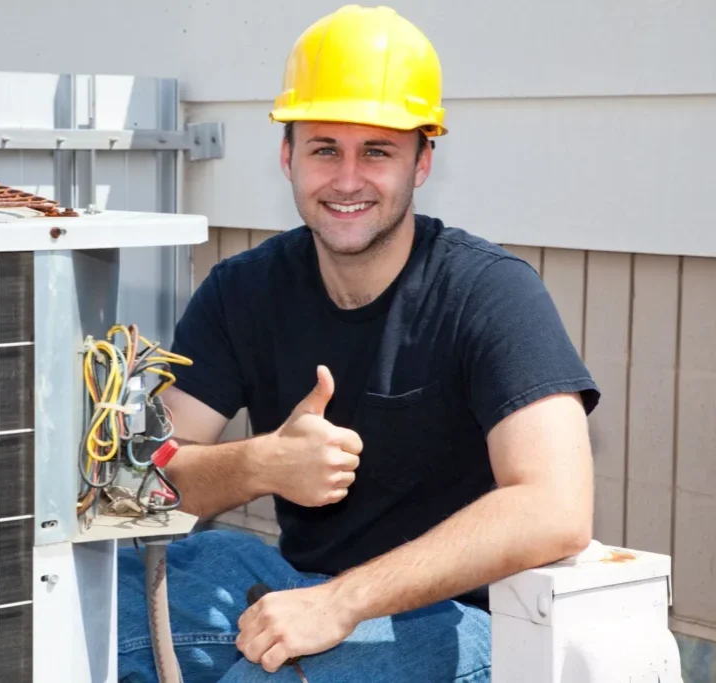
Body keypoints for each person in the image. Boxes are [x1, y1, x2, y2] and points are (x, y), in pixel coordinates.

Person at [117, 5, 599, 682]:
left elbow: (556, 506)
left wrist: (342, 602)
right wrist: (259, 463)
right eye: (323, 149)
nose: (347, 179)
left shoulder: (490, 293)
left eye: (376, 151)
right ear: (287, 156)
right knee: (94, 611)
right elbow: (144, 476)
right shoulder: (243, 290)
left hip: (460, 618)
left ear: (422, 160)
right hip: (295, 582)